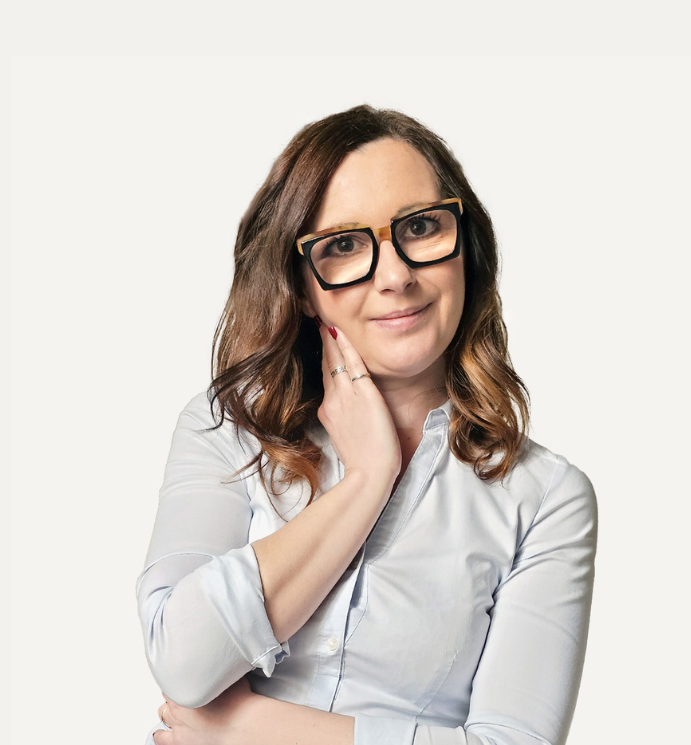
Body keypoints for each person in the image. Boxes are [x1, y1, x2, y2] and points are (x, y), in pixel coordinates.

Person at [136, 105, 598, 745]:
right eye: (344, 245)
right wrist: (367, 480)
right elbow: (182, 660)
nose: (397, 276)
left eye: (421, 227)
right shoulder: (228, 428)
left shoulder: (544, 498)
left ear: (466, 249)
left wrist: (248, 729)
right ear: (302, 287)